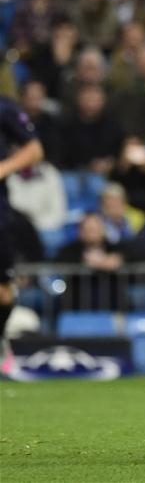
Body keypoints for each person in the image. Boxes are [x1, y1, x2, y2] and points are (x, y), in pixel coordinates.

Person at [0, 95, 44, 374]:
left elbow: (35, 149)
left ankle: (0, 337)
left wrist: (2, 168)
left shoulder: (3, 108)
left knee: (3, 295)